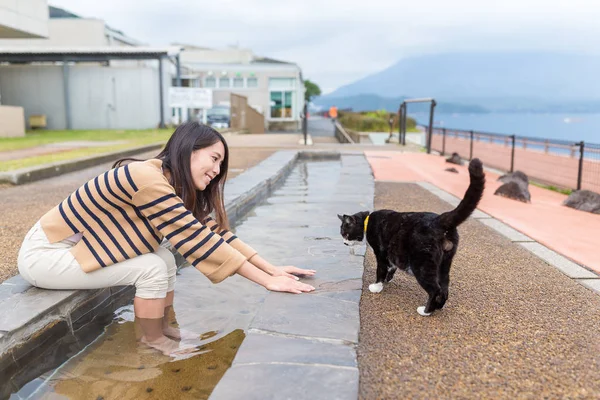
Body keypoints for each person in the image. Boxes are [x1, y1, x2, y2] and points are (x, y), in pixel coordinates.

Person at [17, 122, 316, 356]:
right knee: (152, 266)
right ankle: (151, 339)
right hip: (45, 255)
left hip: (74, 251)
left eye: (220, 166)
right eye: (213, 159)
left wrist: (272, 268)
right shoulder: (146, 178)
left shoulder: (170, 185)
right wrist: (266, 282)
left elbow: (214, 233)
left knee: (162, 258)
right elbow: (197, 240)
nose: (216, 171)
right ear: (188, 149)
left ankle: (165, 327)